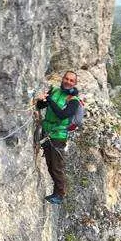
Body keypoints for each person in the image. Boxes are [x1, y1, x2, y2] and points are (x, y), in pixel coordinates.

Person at [35, 71, 81, 205]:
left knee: (56, 167)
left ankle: (60, 194)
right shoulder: (54, 91)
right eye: (66, 79)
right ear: (63, 79)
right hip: (47, 132)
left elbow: (62, 115)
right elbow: (41, 106)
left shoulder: (73, 101)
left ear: (75, 83)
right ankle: (56, 192)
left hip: (58, 136)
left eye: (71, 80)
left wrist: (49, 100)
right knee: (50, 165)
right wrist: (42, 100)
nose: (68, 81)